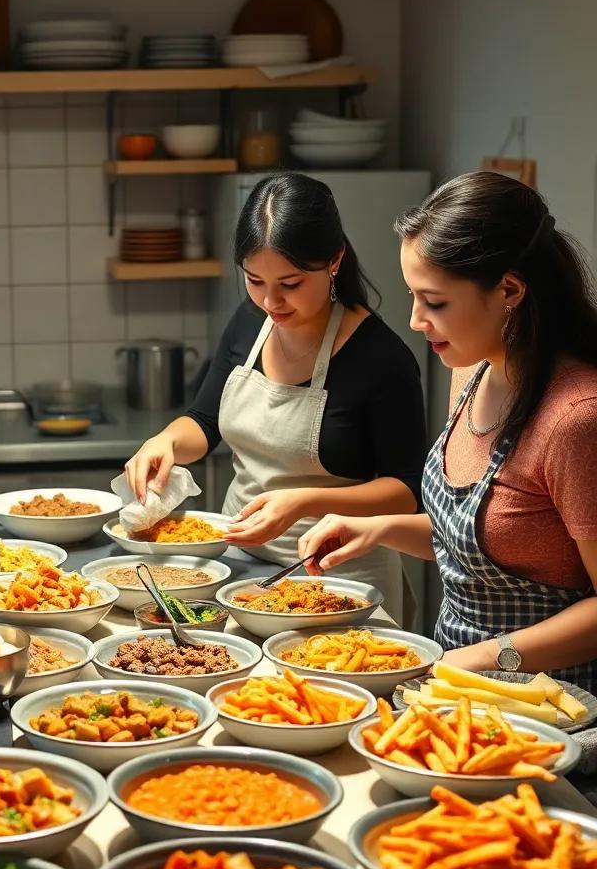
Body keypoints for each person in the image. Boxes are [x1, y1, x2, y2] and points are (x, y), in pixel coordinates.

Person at [299, 172, 597, 690]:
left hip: (554, 709)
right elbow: (484, 545)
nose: (416, 320)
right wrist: (377, 529)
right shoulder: (473, 368)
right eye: (413, 296)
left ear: (509, 290)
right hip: (458, 690)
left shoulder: (576, 419)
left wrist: (487, 656)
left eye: (434, 302)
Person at [124, 173, 427, 619]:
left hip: (339, 576)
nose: (271, 301)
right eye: (254, 280)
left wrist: (304, 500)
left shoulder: (380, 358)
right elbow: (205, 423)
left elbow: (405, 492)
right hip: (237, 566)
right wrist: (166, 441)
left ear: (335, 260)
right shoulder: (249, 323)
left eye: (291, 284)